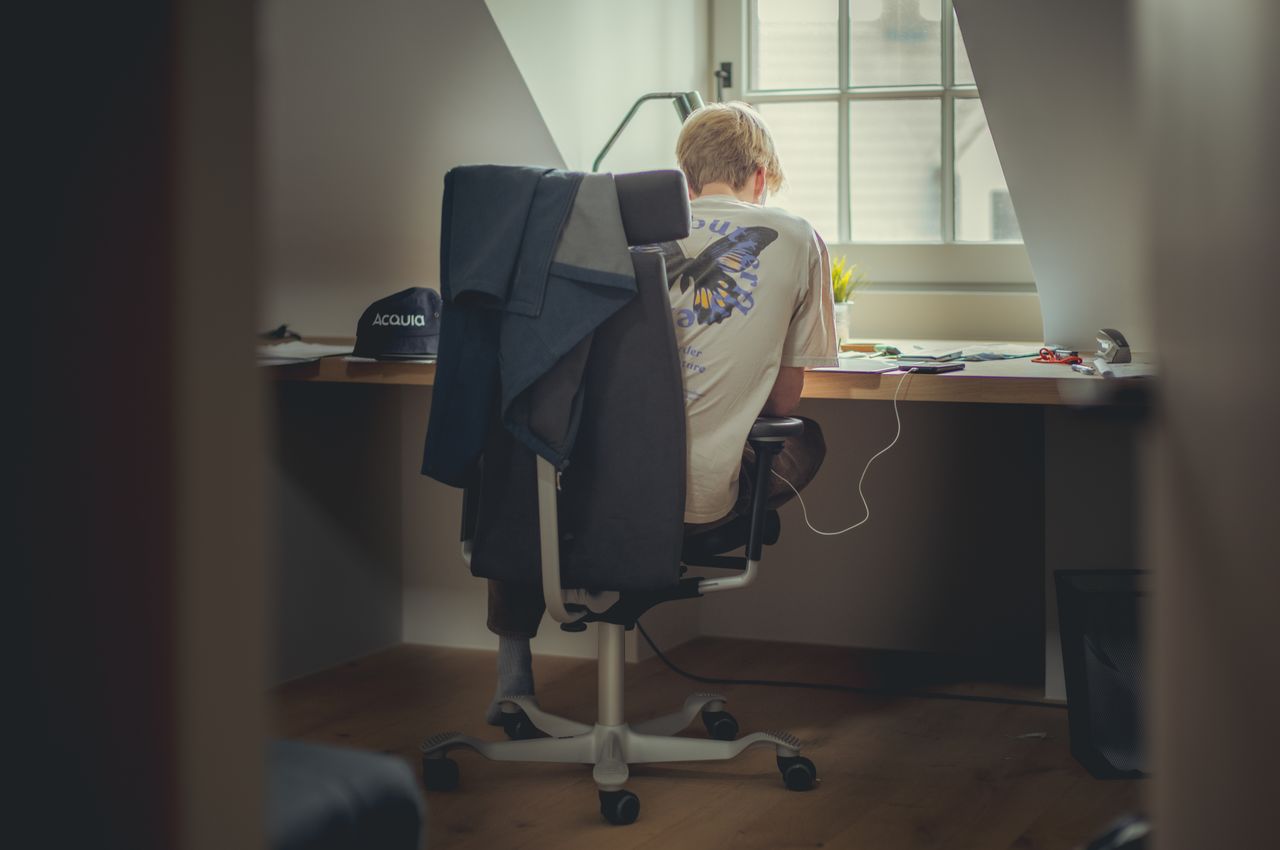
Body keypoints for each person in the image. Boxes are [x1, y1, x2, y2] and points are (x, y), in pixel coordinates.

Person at [483, 102, 838, 724]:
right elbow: (782, 402)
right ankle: (651, 557)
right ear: (760, 174)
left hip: (576, 494)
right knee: (802, 436)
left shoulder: (612, 231)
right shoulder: (796, 236)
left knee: (526, 451)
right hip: (692, 504)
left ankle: (514, 674)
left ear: (684, 175)